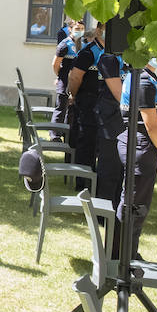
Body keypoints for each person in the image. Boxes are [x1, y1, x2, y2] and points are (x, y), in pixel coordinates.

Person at [117, 59, 157, 260]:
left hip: (143, 146)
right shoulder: (143, 80)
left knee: (137, 202)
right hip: (142, 146)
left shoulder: (146, 77)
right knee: (135, 203)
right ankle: (125, 257)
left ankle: (129, 253)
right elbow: (152, 125)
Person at [68, 22, 107, 189]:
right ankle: (82, 183)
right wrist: (75, 95)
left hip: (107, 104)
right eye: (106, 28)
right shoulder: (89, 52)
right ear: (99, 30)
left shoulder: (116, 52)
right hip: (89, 103)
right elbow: (75, 77)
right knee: (87, 143)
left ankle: (100, 180)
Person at [94, 44, 125, 209]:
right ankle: (103, 210)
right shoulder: (108, 58)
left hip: (125, 119)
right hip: (110, 119)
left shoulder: (134, 58)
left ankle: (118, 209)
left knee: (122, 170)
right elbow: (119, 94)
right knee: (109, 168)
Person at [52, 19, 85, 132]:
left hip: (77, 83)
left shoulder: (84, 44)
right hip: (65, 80)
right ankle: (55, 135)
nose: (79, 31)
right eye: (77, 29)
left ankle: (67, 133)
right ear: (70, 29)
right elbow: (55, 64)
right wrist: (61, 76)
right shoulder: (65, 44)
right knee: (61, 108)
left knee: (72, 110)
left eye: (81, 29)